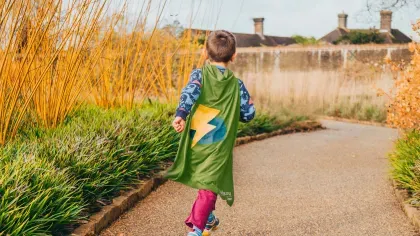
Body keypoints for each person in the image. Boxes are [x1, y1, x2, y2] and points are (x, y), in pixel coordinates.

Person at [165, 30, 256, 236]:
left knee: (207, 182)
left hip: (198, 137)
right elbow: (249, 114)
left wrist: (181, 114)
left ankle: (208, 220)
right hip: (220, 142)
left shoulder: (199, 75)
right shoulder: (237, 85)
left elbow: (190, 92)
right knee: (209, 185)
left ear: (205, 53)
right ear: (234, 56)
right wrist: (240, 107)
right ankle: (196, 229)